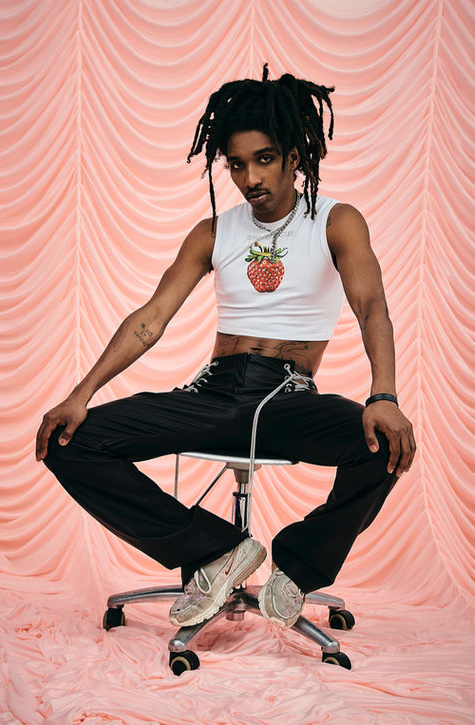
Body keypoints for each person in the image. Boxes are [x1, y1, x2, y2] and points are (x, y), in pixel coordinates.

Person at [36, 65, 415, 631]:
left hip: (286, 398)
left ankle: (298, 566)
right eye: (236, 164)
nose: (249, 177)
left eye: (264, 159)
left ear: (293, 156)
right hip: (213, 393)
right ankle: (215, 551)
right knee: (69, 442)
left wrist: (383, 394)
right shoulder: (213, 231)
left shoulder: (336, 221)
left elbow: (371, 307)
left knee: (385, 443)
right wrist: (79, 395)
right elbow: (150, 319)